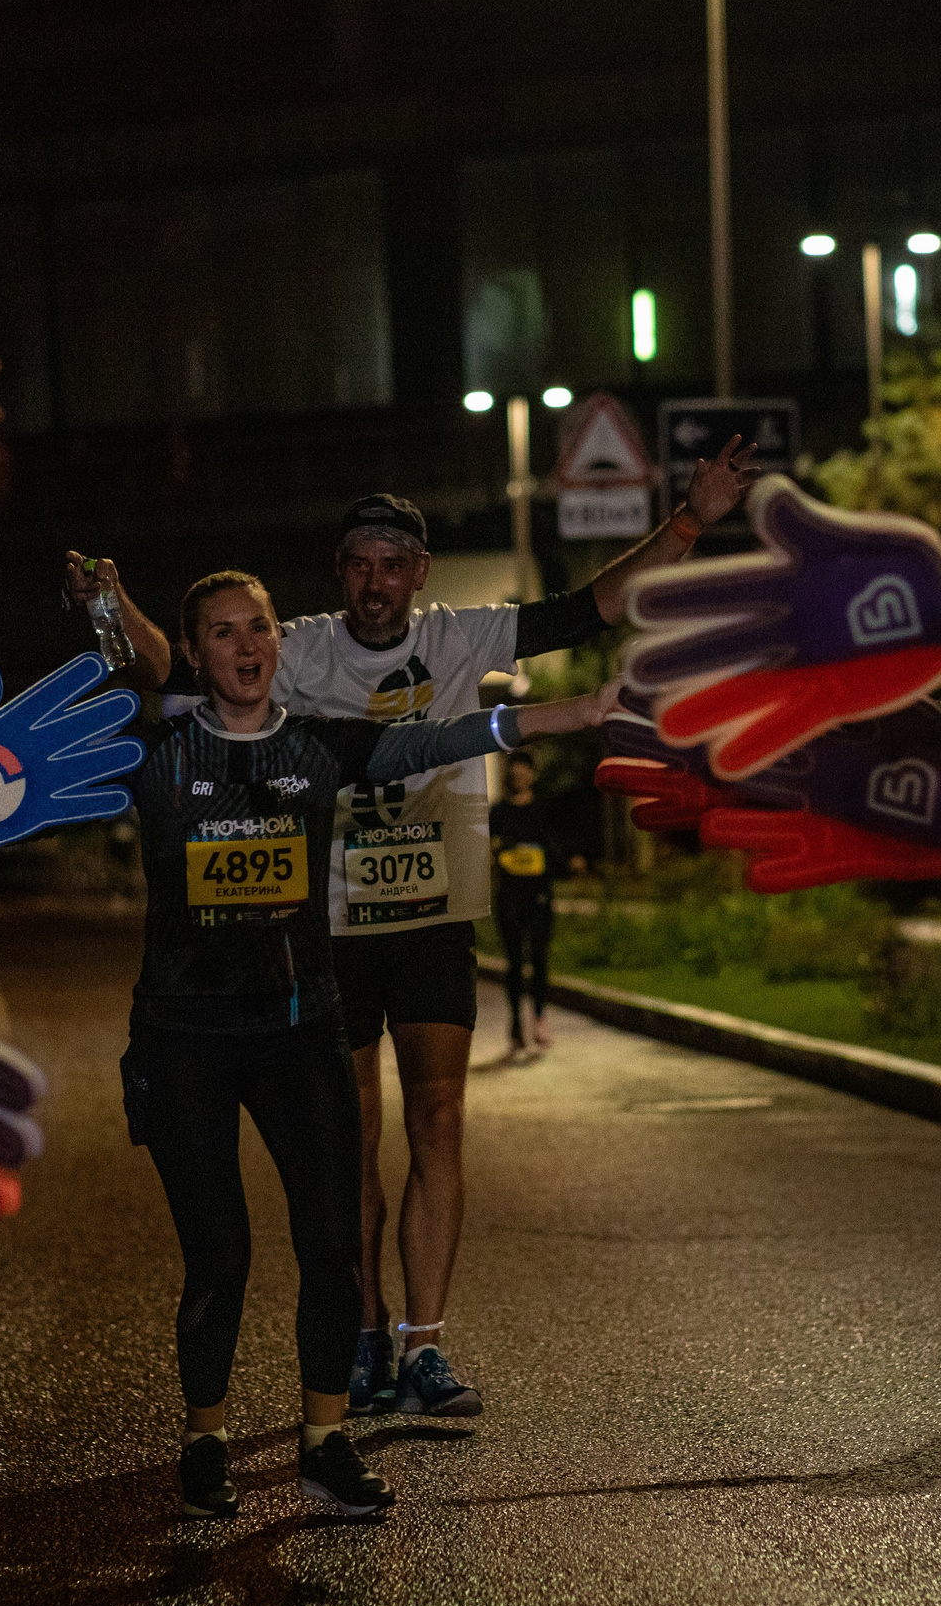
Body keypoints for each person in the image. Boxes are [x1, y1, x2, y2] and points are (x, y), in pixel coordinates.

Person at [74, 433, 762, 1418]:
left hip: (437, 912)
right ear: (339, 573)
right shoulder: (295, 643)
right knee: (351, 1139)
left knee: (440, 1121)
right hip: (331, 921)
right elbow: (174, 670)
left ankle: (424, 1346)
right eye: (358, 563)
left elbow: (593, 607)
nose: (375, 581)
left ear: (419, 573)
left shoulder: (462, 634)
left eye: (393, 564)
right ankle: (360, 1335)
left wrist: (691, 517)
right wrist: (114, 602)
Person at [115, 570, 621, 1519]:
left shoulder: (321, 747)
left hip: (301, 1029)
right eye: (222, 633)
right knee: (220, 1254)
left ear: (277, 641)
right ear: (198, 655)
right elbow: (17, 791)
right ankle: (206, 1439)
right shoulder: (156, 754)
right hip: (186, 1038)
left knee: (332, 1247)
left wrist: (582, 708)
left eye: (258, 625)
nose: (246, 644)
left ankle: (324, 1442)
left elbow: (449, 736)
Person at [489, 750, 559, 1058]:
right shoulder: (498, 813)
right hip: (509, 897)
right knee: (515, 964)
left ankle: (540, 1019)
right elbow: (489, 850)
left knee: (540, 959)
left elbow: (555, 848)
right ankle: (516, 1026)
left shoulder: (544, 809)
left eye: (524, 771)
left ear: (532, 774)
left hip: (539, 895)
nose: (519, 776)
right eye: (514, 771)